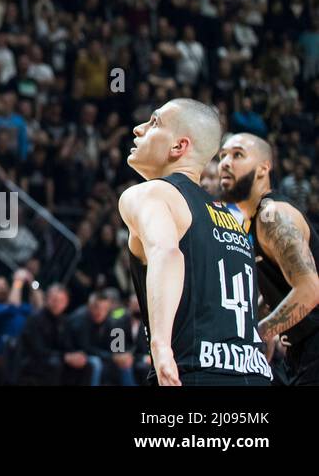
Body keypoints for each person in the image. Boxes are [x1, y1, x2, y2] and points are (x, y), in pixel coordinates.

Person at [119, 99, 272, 385]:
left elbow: (167, 252)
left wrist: (161, 347)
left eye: (154, 123)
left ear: (178, 147)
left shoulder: (149, 194)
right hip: (256, 374)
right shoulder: (231, 220)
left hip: (193, 371)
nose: (138, 129)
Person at [219, 131, 319, 385]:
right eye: (222, 156)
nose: (225, 162)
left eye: (237, 154)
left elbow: (310, 289)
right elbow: (281, 282)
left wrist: (263, 330)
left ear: (264, 168)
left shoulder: (272, 214)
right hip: (301, 352)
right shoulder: (254, 221)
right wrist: (263, 311)